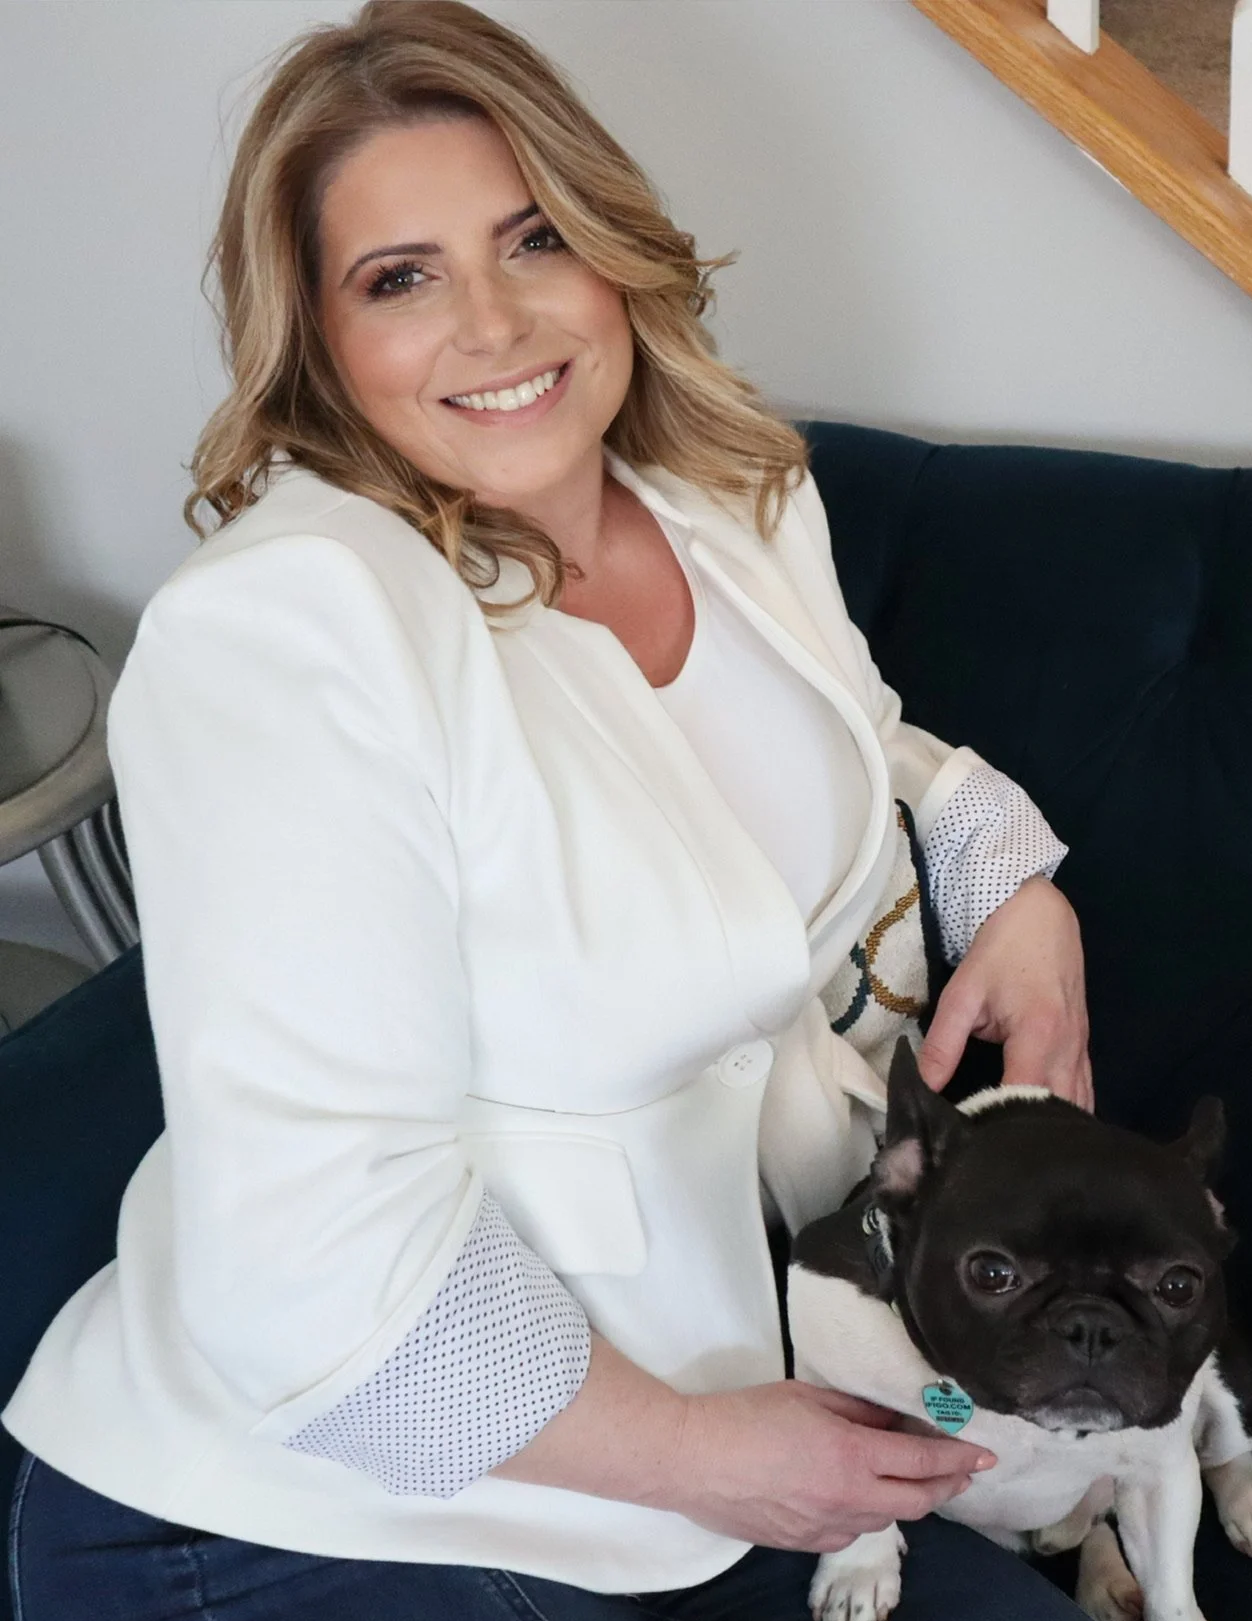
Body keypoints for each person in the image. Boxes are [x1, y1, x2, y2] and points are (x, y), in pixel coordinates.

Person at [4, 5, 1092, 1616]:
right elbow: (310, 1261)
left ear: (609, 250)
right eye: (401, 277)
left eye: (532, 241)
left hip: (736, 1397)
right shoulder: (289, 635)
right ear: (316, 338)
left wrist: (1012, 884)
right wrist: (705, 1457)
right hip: (335, 1505)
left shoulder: (724, 491)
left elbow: (846, 743)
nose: (497, 323)